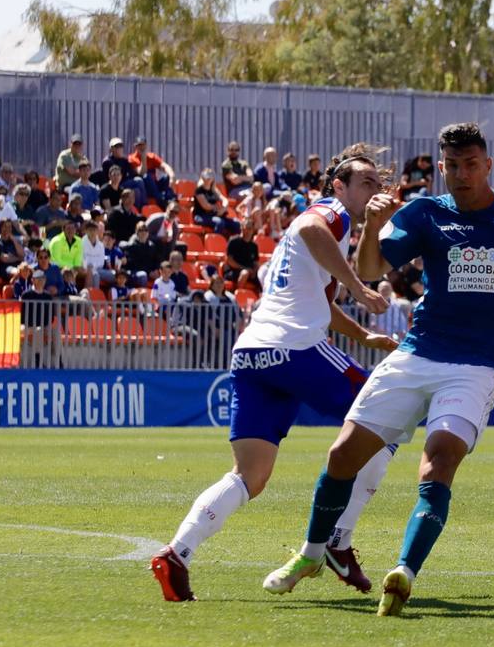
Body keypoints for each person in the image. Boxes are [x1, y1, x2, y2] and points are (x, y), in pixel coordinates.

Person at [260, 122, 494, 617]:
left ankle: (403, 572)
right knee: (343, 455)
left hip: (478, 364)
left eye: (471, 164)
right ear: (441, 165)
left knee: (440, 455)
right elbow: (368, 272)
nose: (461, 174)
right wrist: (370, 225)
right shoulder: (425, 212)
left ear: (487, 165)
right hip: (417, 352)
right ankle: (311, 555)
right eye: (452, 165)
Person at [150, 144, 397, 603]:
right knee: (389, 416)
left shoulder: (318, 239)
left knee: (250, 476)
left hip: (251, 355)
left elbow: (317, 302)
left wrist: (364, 336)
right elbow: (308, 226)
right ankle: (337, 543)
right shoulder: (331, 213)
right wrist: (360, 288)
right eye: (365, 182)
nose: (372, 190)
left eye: (376, 184)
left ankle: (177, 554)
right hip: (293, 350)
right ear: (338, 185)